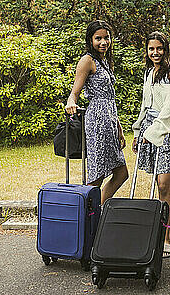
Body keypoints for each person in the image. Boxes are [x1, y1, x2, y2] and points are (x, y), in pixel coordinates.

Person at [132, 31, 170, 258]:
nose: (155, 53)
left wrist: (153, 133)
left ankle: (166, 235)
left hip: (168, 130)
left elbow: (169, 108)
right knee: (157, 183)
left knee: (164, 185)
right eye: (151, 49)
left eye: (159, 48)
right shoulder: (149, 72)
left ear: (166, 49)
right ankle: (163, 225)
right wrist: (138, 131)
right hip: (149, 127)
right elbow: (145, 105)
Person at [65, 20, 129, 204]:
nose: (103, 42)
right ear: (90, 40)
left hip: (109, 120)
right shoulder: (87, 60)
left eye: (106, 38)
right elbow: (74, 92)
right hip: (97, 120)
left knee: (121, 173)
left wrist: (119, 127)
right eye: (98, 38)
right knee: (97, 174)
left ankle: (96, 210)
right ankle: (87, 215)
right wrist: (71, 103)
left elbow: (110, 97)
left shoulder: (105, 61)